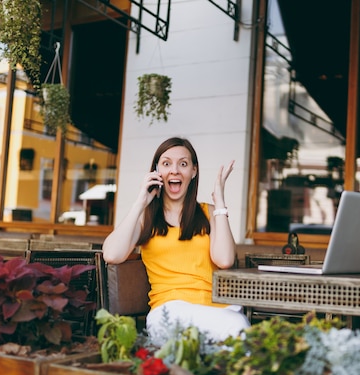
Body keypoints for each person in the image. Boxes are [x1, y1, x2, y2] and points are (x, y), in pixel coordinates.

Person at [102, 137, 250, 344]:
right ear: (156, 172)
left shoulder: (208, 212)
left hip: (217, 310)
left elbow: (225, 260)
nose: (174, 170)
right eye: (166, 163)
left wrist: (220, 202)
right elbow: (111, 254)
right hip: (168, 312)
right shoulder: (146, 217)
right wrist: (140, 202)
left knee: (237, 328)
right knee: (237, 328)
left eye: (183, 164)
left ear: (193, 172)